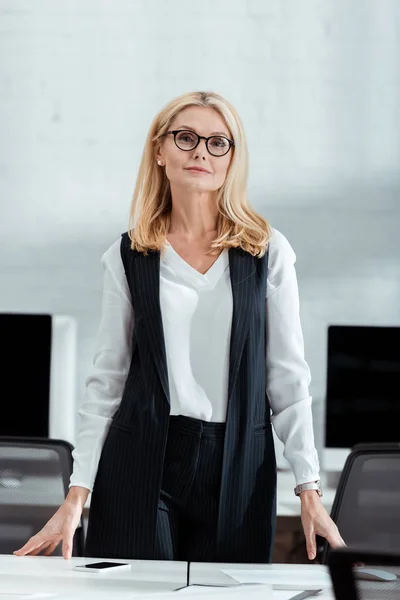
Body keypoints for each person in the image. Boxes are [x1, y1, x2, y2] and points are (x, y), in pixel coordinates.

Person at [15, 90, 345, 564]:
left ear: (233, 159)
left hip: (238, 464)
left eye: (218, 143)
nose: (200, 153)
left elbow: (288, 379)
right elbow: (107, 381)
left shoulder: (266, 250)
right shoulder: (129, 255)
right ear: (160, 150)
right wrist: (76, 496)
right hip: (141, 459)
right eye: (186, 138)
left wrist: (309, 490)